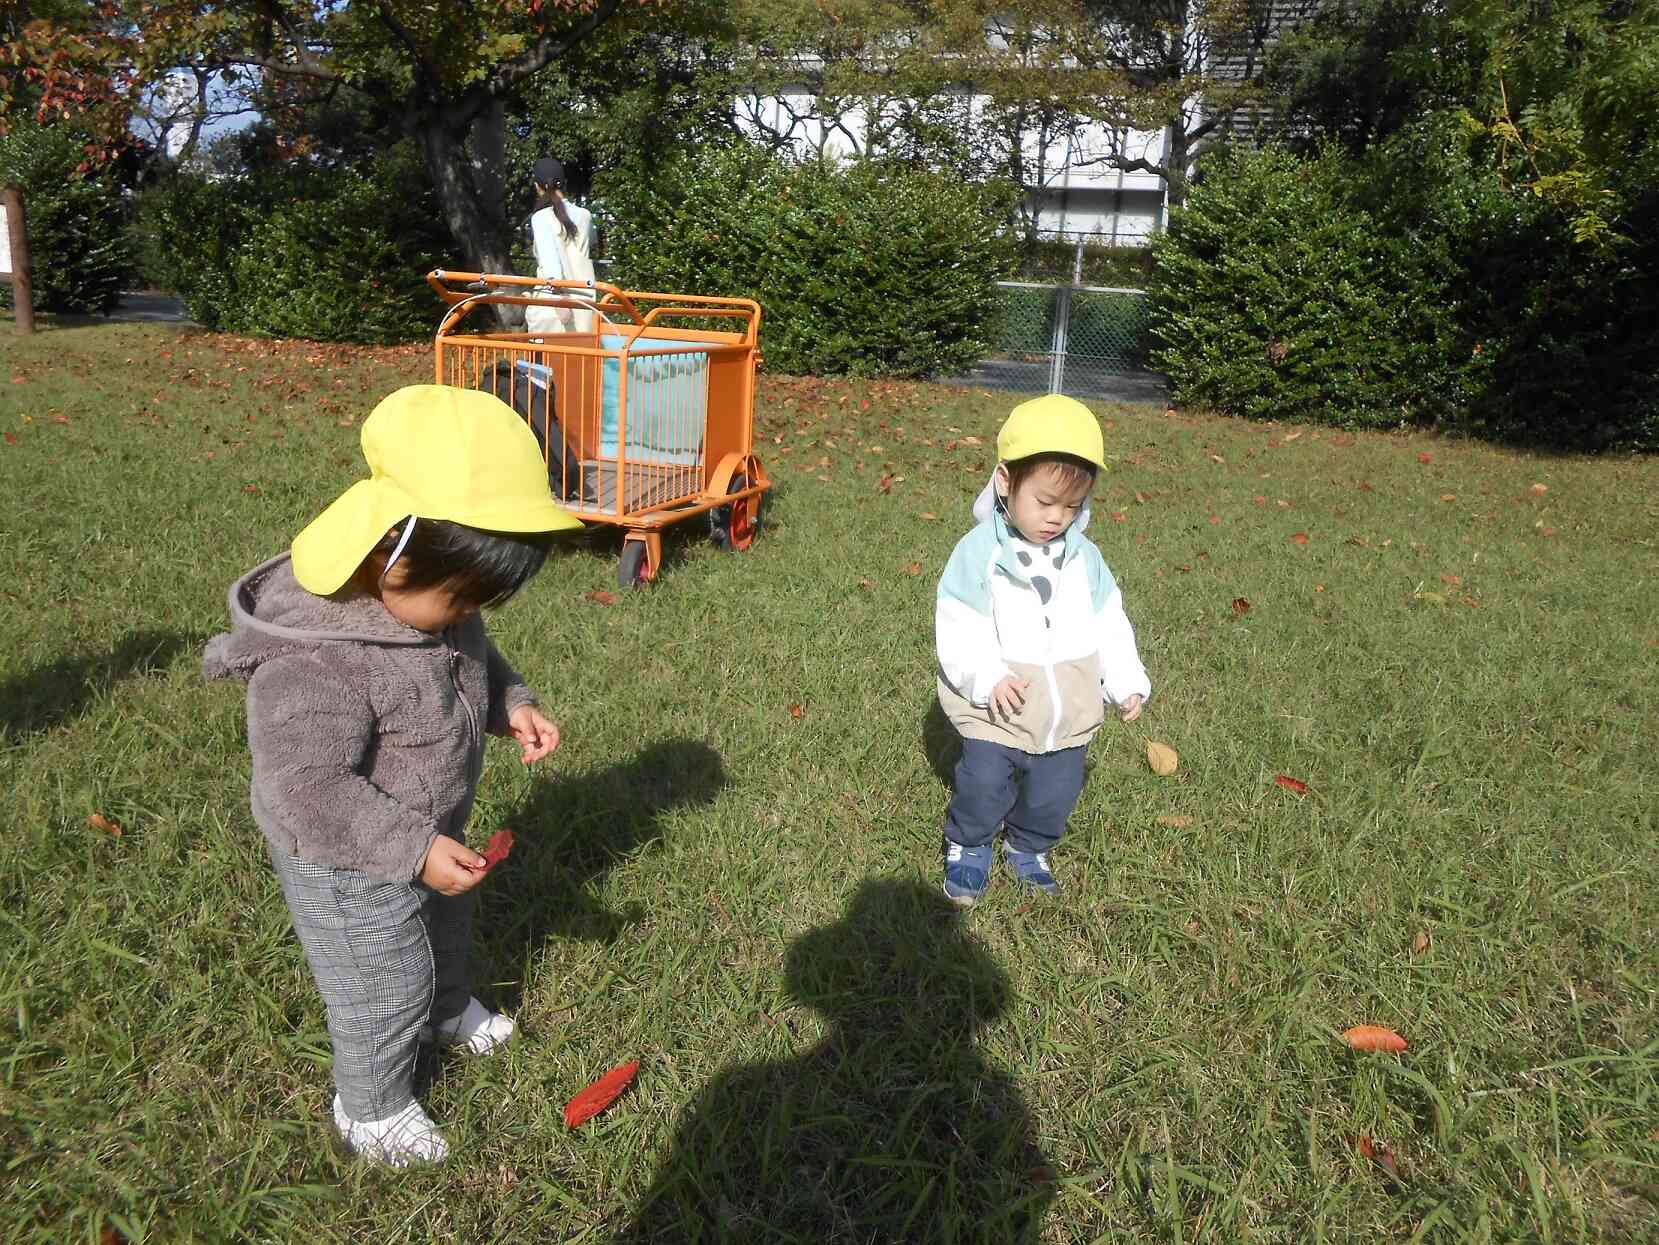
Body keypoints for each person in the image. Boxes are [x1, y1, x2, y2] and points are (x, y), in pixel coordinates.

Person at [203, 385, 583, 1166]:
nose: (467, 614)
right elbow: (303, 788)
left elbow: (471, 658)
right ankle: (370, 1107)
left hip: (427, 829)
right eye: (461, 595)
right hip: (345, 855)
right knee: (383, 981)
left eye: (480, 600)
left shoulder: (433, 605)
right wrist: (412, 848)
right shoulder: (316, 660)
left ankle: (446, 1010)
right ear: (389, 550)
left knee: (445, 929)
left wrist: (511, 703)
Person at [934, 394, 1151, 906]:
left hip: (1067, 706)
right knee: (984, 780)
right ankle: (970, 843)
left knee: (1056, 789)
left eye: (1072, 506)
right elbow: (959, 623)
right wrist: (987, 677)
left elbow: (1109, 621)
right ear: (1005, 482)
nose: (1058, 517)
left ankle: (1029, 846)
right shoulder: (979, 553)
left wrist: (1125, 680)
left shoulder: (1085, 558)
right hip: (997, 705)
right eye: (1045, 502)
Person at [525, 156, 596, 335]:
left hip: (554, 307)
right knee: (583, 353)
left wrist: (558, 300)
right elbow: (591, 245)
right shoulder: (585, 215)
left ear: (537, 186)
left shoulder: (541, 218)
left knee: (545, 354)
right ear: (563, 184)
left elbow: (551, 264)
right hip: (585, 305)